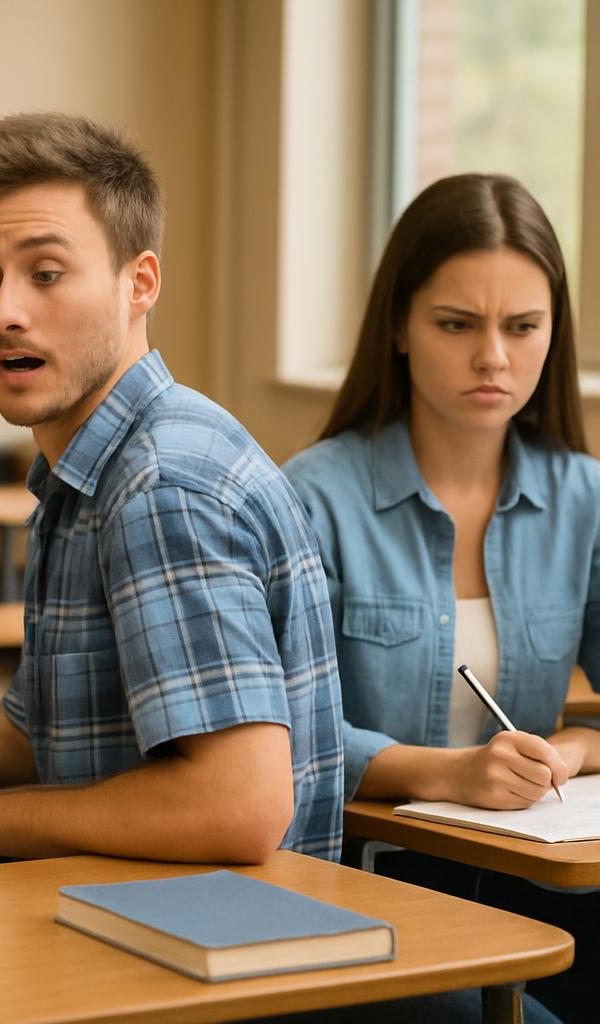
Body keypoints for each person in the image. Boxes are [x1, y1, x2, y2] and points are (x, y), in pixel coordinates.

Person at [0, 112, 343, 867]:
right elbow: (44, 731)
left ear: (140, 284)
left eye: (46, 274)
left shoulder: (161, 485)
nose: (5, 313)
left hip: (225, 966)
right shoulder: (92, 471)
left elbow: (238, 807)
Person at [283, 172, 600, 1022]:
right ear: (399, 325)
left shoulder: (585, 498)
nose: (493, 357)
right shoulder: (313, 498)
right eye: (457, 325)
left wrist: (566, 754)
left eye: (522, 327)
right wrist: (454, 774)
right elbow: (286, 739)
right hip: (364, 897)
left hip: (534, 884)